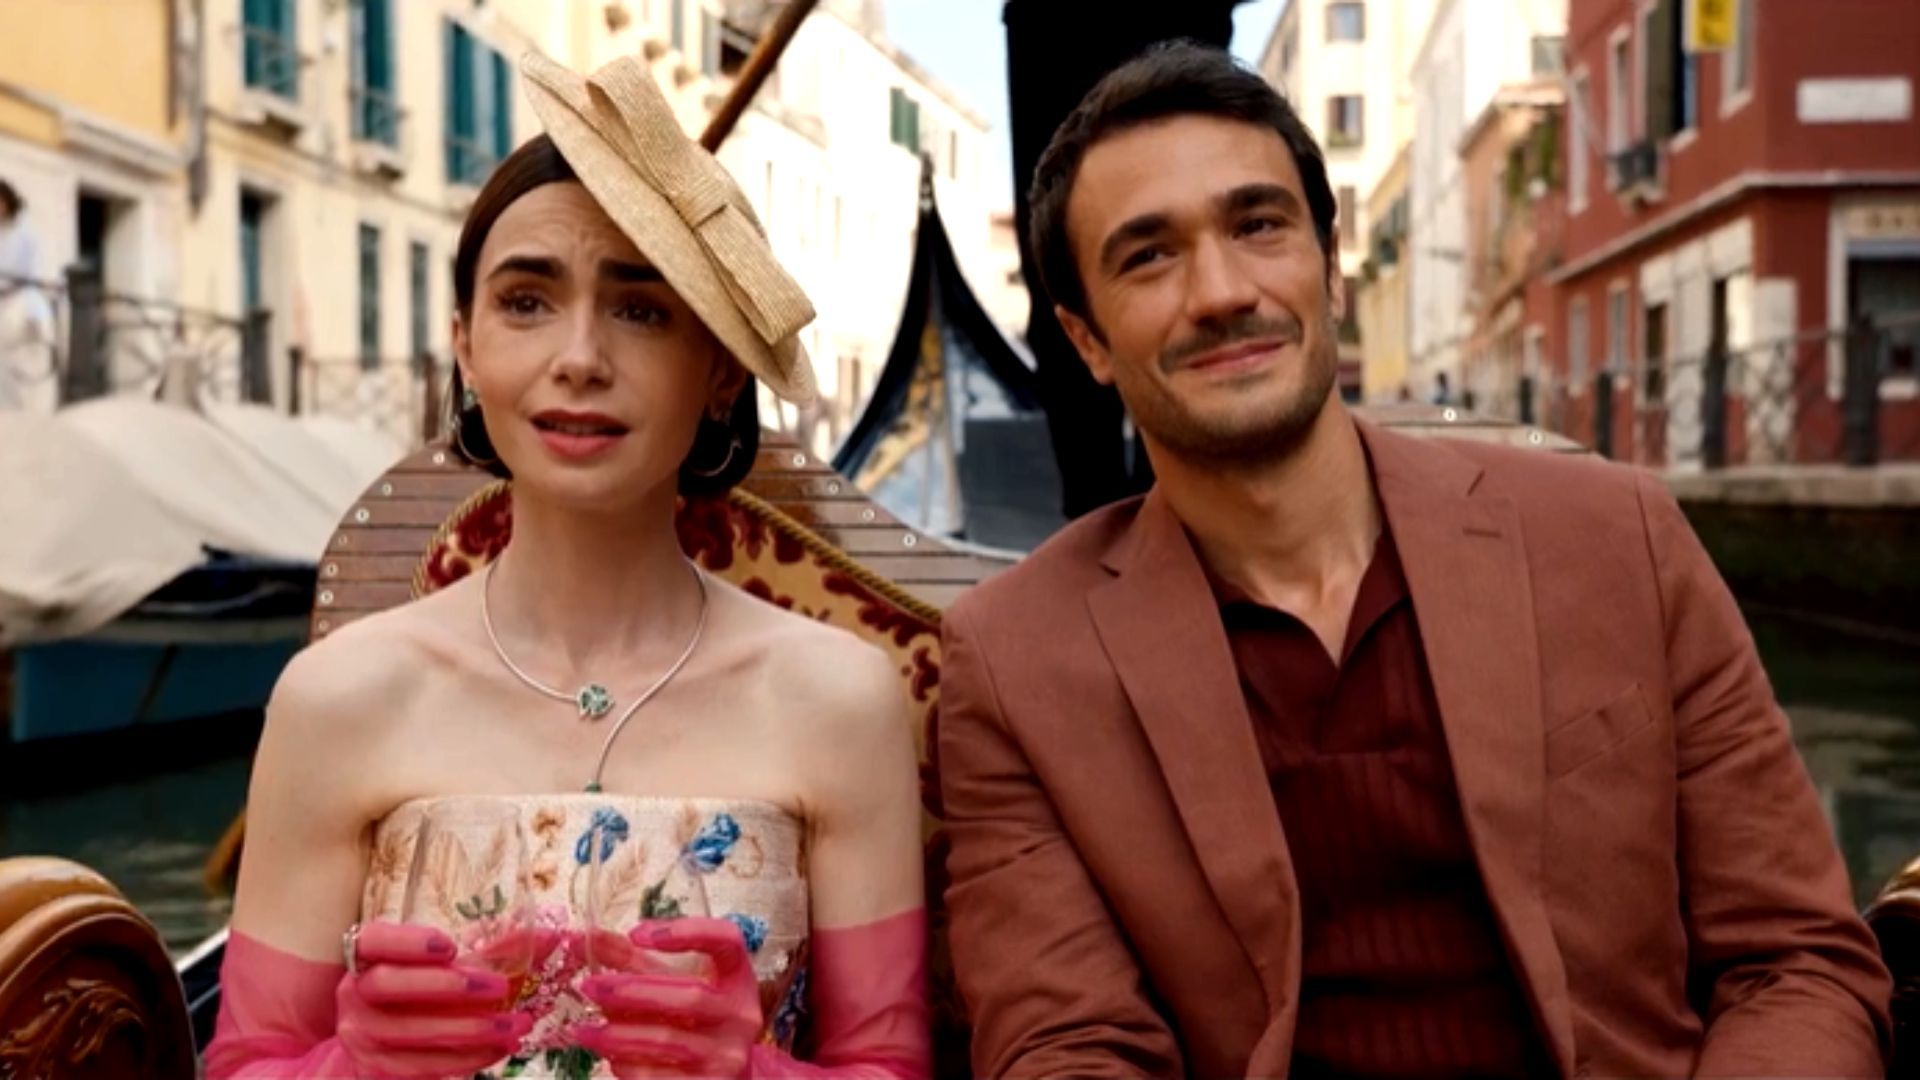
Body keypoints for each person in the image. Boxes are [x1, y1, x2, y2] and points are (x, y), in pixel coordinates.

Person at [936, 41, 1891, 1080]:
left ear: (1328, 267)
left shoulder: (1619, 536)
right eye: (1149, 257)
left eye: (1258, 226)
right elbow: (1069, 1045)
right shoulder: (1013, 660)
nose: (1220, 291)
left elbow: (1796, 959)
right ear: (1086, 340)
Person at [205, 53, 929, 1080]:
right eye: (526, 302)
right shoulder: (335, 700)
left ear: (721, 371)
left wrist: (751, 1072)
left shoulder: (839, 700)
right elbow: (247, 1063)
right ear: (466, 347)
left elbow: (888, 1067)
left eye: (641, 310)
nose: (579, 357)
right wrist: (352, 1067)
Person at [0, 178, 51, 410]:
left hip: (21, 305)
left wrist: (33, 312)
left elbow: (32, 273)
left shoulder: (24, 234)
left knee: (24, 366)